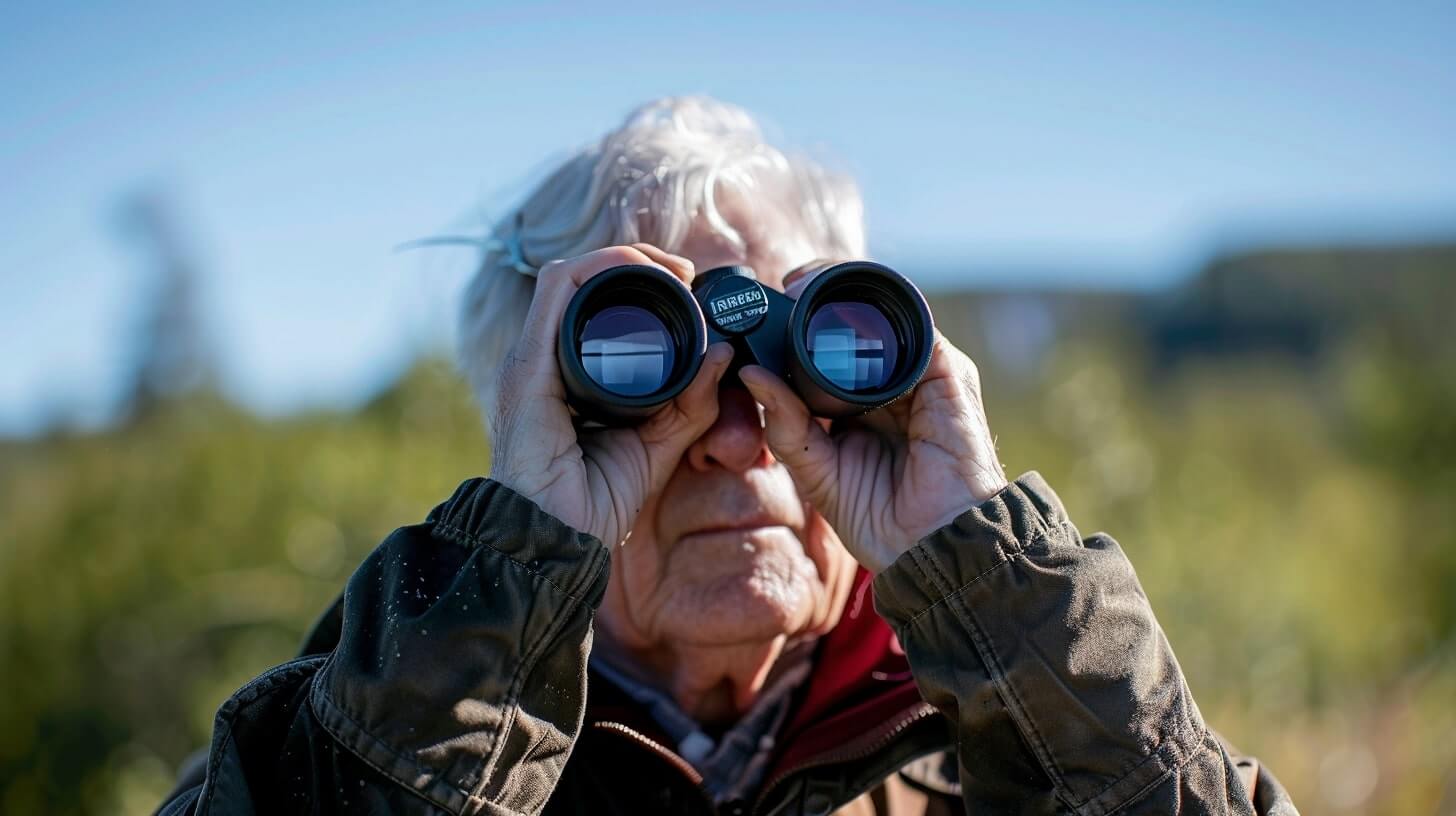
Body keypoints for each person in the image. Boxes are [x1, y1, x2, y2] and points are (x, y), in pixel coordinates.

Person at [157, 97, 1297, 815]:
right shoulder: (351, 735)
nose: (739, 434)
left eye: (807, 359)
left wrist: (993, 590)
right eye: (642, 359)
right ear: (525, 414)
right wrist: (468, 662)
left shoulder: (1002, 734)